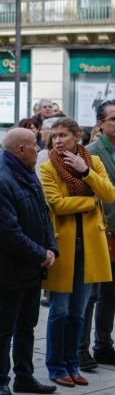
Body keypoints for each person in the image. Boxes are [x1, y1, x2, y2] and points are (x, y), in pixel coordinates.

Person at [0, 128, 58, 395]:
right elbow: (7, 232)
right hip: (11, 270)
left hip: (32, 268)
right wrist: (40, 254)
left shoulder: (27, 173)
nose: (38, 149)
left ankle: (24, 376)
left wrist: (50, 248)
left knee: (27, 325)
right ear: (19, 150)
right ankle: (1, 381)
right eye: (33, 145)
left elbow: (43, 214)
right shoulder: (0, 180)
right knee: (6, 327)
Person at [40, 117, 115, 387]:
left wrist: (85, 173)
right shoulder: (48, 167)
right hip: (64, 247)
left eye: (63, 135)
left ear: (77, 138)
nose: (58, 140)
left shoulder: (92, 163)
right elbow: (57, 204)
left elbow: (109, 194)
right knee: (59, 311)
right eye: (55, 136)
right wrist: (89, 201)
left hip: (91, 247)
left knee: (78, 312)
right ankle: (56, 366)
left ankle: (72, 364)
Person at [81, 100, 115, 367]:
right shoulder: (89, 154)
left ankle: (104, 344)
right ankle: (81, 348)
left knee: (111, 293)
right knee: (91, 294)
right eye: (113, 119)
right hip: (98, 230)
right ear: (101, 124)